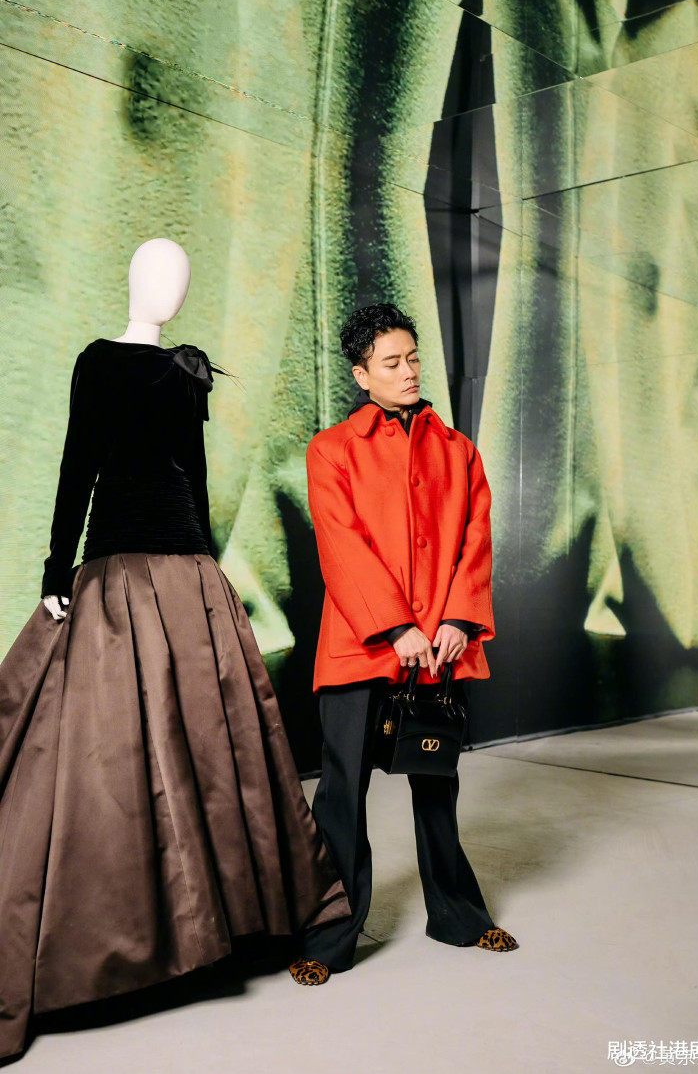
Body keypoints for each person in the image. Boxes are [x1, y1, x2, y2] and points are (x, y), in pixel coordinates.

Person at [0, 239, 349, 1061]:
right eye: (161, 274)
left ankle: (218, 924)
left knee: (207, 744)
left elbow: (193, 474)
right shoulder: (98, 361)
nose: (171, 289)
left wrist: (209, 572)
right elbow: (78, 465)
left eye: (180, 277)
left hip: (185, 567)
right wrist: (57, 567)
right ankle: (132, 935)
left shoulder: (187, 372)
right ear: (133, 280)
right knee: (113, 748)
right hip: (121, 564)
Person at [288, 303, 518, 986]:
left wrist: (458, 620)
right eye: (392, 362)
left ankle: (459, 916)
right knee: (340, 793)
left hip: (441, 648)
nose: (410, 370)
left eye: (413, 357)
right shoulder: (332, 450)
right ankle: (329, 937)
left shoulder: (459, 450)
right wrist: (396, 626)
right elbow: (342, 545)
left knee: (437, 784)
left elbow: (476, 538)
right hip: (361, 645)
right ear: (362, 375)